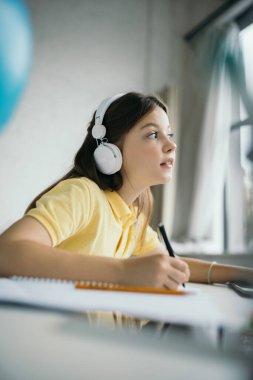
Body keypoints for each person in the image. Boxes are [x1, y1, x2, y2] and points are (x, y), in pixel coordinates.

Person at [0, 92, 252, 289]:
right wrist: (124, 271)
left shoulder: (132, 216)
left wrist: (241, 274)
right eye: (153, 134)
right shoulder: (82, 194)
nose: (171, 144)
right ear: (109, 151)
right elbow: (6, 252)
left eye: (170, 134)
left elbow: (170, 266)